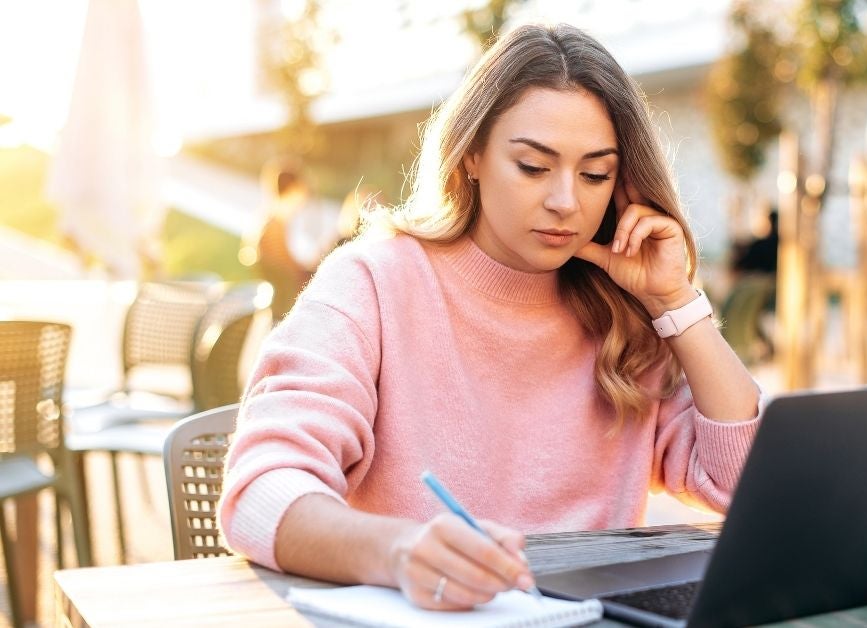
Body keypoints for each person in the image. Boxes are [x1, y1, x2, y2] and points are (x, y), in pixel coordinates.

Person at [219, 23, 762, 612]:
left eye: (595, 174)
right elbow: (261, 490)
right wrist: (400, 551)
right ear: (472, 154)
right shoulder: (373, 282)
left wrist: (676, 303)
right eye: (533, 166)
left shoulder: (624, 310)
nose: (565, 201)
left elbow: (742, 486)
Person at [240, 159, 339, 321]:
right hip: (284, 308)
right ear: (293, 190)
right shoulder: (273, 226)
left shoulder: (269, 221)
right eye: (302, 192)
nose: (303, 199)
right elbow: (290, 272)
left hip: (280, 301)